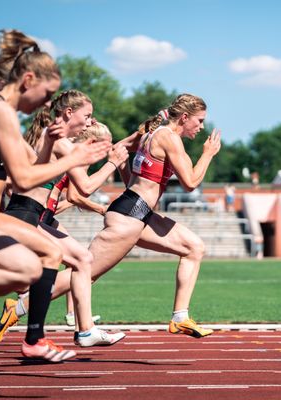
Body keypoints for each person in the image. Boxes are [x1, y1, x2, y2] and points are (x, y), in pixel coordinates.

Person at [0, 31, 109, 363]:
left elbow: (23, 169)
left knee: (27, 265)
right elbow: (23, 178)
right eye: (48, 94)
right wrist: (75, 159)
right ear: (28, 79)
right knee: (35, 259)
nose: (47, 104)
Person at [0, 92, 127, 347]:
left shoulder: (55, 137)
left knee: (82, 259)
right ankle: (60, 329)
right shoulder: (61, 142)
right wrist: (112, 164)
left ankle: (82, 329)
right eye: (87, 116)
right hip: (25, 214)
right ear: (68, 113)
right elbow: (85, 188)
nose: (90, 121)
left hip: (32, 214)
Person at [87, 94, 221, 338]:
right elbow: (190, 182)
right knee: (84, 274)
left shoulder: (152, 135)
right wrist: (208, 154)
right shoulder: (168, 137)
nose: (201, 127)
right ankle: (20, 306)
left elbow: (133, 181)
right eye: (199, 121)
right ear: (184, 117)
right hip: (129, 215)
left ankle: (180, 318)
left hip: (137, 212)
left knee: (194, 247)